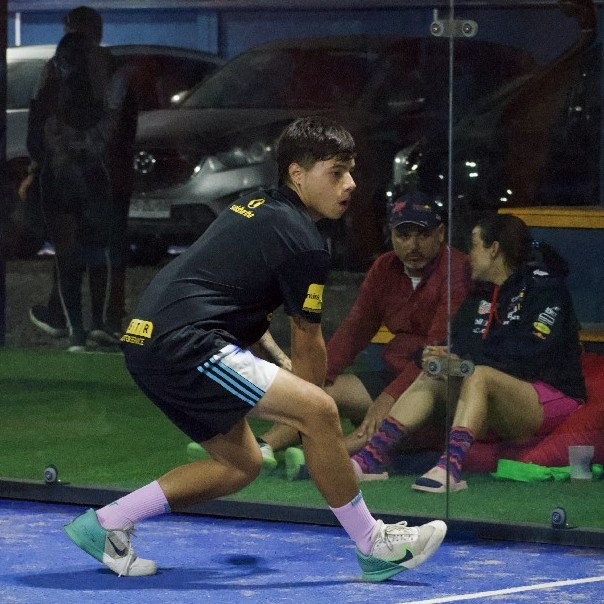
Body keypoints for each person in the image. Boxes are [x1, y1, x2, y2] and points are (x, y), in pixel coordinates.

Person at [63, 116, 446, 580]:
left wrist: (281, 371)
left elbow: (235, 306)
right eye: (336, 172)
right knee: (319, 410)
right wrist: (306, 414)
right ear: (297, 174)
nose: (350, 184)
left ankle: (107, 523)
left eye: (351, 171)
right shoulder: (303, 242)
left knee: (240, 464)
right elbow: (308, 341)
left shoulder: (255, 205)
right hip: (185, 344)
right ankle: (374, 544)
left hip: (151, 341)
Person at [350, 213, 586, 491]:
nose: (468, 256)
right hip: (494, 395)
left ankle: (449, 469)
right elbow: (459, 343)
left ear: (494, 249)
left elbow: (531, 353)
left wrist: (466, 361)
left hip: (549, 397)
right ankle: (368, 460)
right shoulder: (480, 294)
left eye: (474, 245)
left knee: (479, 375)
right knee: (434, 374)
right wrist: (435, 356)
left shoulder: (544, 288)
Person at [257, 193, 471, 478]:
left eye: (423, 235)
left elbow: (436, 350)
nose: (413, 245)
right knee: (321, 394)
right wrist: (316, 377)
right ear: (391, 235)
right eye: (404, 235)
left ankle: (320, 461)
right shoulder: (384, 267)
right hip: (392, 374)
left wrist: (388, 397)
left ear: (440, 233)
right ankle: (263, 447)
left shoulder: (456, 270)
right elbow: (354, 331)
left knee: (382, 417)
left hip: (434, 386)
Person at [22, 5, 138, 349]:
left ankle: (71, 327)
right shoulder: (114, 72)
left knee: (68, 251)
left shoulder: (53, 74)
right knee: (105, 250)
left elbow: (36, 132)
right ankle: (106, 322)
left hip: (61, 176)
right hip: (107, 175)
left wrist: (39, 164)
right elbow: (123, 129)